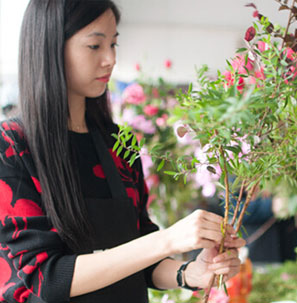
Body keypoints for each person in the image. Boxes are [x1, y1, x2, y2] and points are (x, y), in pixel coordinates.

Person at [0, 1, 245, 302]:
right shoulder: (11, 148)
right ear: (50, 48)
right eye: (94, 46)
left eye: (114, 44)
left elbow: (141, 254)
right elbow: (43, 279)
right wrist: (167, 240)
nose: (110, 59)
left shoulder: (119, 144)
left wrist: (192, 272)